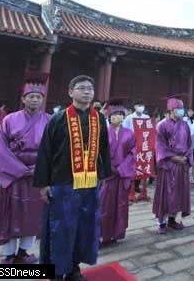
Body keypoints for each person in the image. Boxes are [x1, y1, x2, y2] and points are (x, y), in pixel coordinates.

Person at [34, 75, 112, 281]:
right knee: (61, 227)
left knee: (84, 227)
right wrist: (43, 183)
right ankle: (56, 271)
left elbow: (104, 148)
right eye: (82, 88)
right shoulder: (58, 119)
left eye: (90, 88)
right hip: (63, 183)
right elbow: (46, 152)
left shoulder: (100, 118)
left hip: (89, 183)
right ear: (70, 92)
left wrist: (102, 176)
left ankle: (73, 269)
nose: (87, 92)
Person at [0, 74, 51, 264]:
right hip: (14, 175)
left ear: (43, 99)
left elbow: (54, 148)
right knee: (11, 213)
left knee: (34, 213)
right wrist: (20, 169)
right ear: (23, 98)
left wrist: (39, 169)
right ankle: (9, 254)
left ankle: (24, 251)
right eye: (31, 96)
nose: (35, 99)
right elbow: (1, 148)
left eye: (38, 97)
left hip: (38, 175)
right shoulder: (9, 120)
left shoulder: (50, 120)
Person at [153, 96, 193, 233]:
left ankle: (172, 219)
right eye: (178, 109)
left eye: (182, 108)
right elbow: (160, 146)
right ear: (171, 110)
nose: (181, 111)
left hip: (182, 164)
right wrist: (174, 157)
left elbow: (189, 143)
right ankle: (161, 222)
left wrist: (186, 157)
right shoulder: (162, 125)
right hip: (169, 165)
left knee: (178, 193)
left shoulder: (185, 125)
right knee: (166, 193)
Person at [99, 99, 135, 245]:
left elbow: (133, 152)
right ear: (109, 117)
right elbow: (99, 154)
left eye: (120, 115)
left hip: (121, 175)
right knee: (103, 205)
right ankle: (101, 236)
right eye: (115, 115)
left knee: (119, 204)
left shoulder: (129, 133)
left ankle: (115, 233)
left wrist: (121, 169)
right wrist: (108, 168)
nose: (118, 118)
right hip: (107, 176)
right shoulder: (103, 133)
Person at [122, 99, 150, 192]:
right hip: (132, 144)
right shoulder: (129, 117)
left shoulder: (146, 117)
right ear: (135, 107)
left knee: (140, 164)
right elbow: (124, 130)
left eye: (142, 105)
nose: (141, 107)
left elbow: (150, 129)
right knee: (131, 164)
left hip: (143, 144)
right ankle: (129, 185)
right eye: (139, 105)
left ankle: (137, 185)